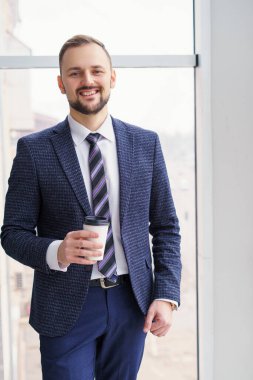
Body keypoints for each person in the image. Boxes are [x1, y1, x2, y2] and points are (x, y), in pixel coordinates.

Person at [1, 35, 181, 380]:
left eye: (96, 71)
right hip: (66, 306)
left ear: (112, 77)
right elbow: (12, 234)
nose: (87, 81)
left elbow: (166, 226)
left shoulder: (146, 144)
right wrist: (59, 251)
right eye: (75, 73)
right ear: (61, 83)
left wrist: (167, 294)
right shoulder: (34, 150)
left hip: (132, 302)